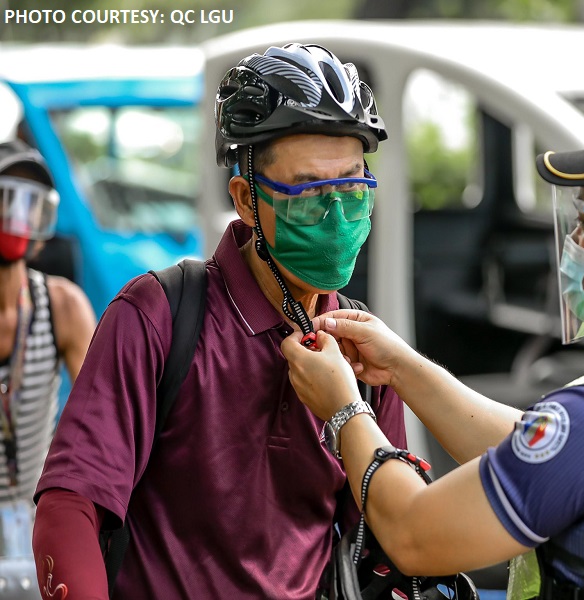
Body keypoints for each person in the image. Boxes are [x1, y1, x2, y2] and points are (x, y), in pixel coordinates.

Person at [282, 88, 584, 599]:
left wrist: (344, 410)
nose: (574, 239)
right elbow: (545, 458)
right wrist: (403, 367)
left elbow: (411, 534)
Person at [31, 43, 406, 600]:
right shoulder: (157, 316)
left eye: (351, 189)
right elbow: (70, 503)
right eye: (307, 195)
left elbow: (392, 532)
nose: (335, 216)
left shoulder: (366, 350)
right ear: (246, 200)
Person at [0, 140, 95, 594]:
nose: (17, 215)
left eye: (30, 203)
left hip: (37, 520)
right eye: (7, 198)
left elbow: (105, 418)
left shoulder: (61, 306)